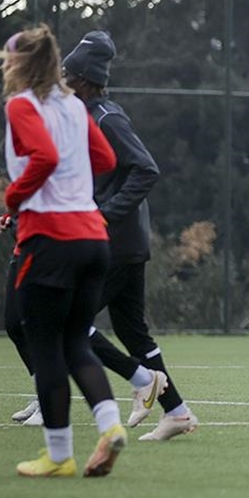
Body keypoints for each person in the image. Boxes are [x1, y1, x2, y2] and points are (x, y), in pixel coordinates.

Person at [0, 24, 127, 477]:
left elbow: (44, 157)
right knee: (75, 341)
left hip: (51, 240)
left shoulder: (22, 106)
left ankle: (59, 455)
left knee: (45, 346)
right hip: (93, 238)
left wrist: (15, 197)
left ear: (21, 66)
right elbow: (105, 159)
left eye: (9, 60)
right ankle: (109, 427)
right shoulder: (72, 104)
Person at [60, 30, 199, 441]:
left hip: (116, 244)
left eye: (68, 75)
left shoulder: (107, 118)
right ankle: (177, 412)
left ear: (84, 81)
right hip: (123, 242)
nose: (63, 81)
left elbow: (146, 169)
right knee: (133, 331)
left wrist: (104, 216)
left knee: (70, 321)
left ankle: (141, 380)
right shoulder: (87, 117)